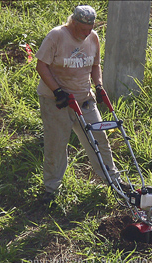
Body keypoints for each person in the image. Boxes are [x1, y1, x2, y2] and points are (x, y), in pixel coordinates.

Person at [35, 5, 122, 205]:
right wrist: (58, 91)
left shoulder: (93, 38)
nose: (87, 32)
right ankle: (51, 189)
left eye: (90, 27)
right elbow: (41, 65)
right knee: (56, 145)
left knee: (99, 139)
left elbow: (95, 65)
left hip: (84, 99)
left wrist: (99, 86)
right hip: (56, 101)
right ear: (73, 22)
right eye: (83, 28)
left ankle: (113, 181)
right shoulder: (56, 36)